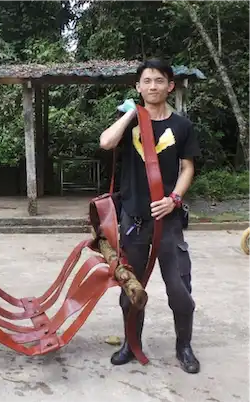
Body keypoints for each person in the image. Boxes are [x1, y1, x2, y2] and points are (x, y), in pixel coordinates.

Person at [99, 59, 201, 374]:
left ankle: (184, 346)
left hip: (168, 223)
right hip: (134, 221)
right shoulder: (129, 121)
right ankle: (131, 343)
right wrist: (132, 113)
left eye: (159, 80)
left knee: (179, 290)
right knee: (131, 289)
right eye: (146, 81)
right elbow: (105, 142)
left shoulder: (183, 126)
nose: (152, 86)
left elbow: (188, 168)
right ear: (138, 86)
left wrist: (174, 199)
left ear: (170, 86)